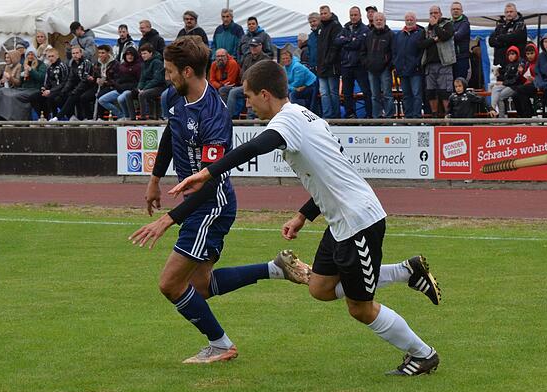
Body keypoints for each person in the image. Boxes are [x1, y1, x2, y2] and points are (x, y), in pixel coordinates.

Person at [168, 59, 442, 375]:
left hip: (360, 222)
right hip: (341, 222)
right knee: (319, 288)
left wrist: (208, 171)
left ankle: (423, 354)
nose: (248, 103)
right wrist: (302, 216)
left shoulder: (285, 122)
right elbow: (331, 174)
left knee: (360, 308)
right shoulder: (308, 117)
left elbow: (258, 145)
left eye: (248, 96)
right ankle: (407, 272)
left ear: (265, 94)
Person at [128, 37, 312, 364]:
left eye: (171, 71)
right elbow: (172, 132)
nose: (166, 77)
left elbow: (210, 187)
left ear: (187, 71)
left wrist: (169, 219)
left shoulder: (216, 115)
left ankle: (221, 344)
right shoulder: (174, 95)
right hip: (195, 202)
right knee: (200, 286)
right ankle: (276, 269)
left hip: (211, 206)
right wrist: (155, 180)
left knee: (170, 284)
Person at [0, 48, 45, 121]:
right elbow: (20, 81)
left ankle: (13, 118)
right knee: (1, 91)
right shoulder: (24, 64)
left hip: (34, 89)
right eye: (28, 54)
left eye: (32, 54)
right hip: (23, 89)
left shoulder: (41, 65)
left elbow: (41, 77)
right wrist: (21, 75)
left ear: (35, 55)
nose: (30, 56)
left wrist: (31, 71)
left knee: (14, 96)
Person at [419, 5, 455, 117]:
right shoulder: (425, 29)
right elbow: (421, 44)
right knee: (431, 91)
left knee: (445, 91)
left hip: (444, 63)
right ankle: (434, 114)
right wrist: (433, 39)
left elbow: (445, 36)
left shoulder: (448, 24)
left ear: (440, 14)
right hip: (429, 65)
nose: (433, 15)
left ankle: (447, 115)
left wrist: (435, 26)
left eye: (435, 12)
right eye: (431, 13)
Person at [335, 6, 371, 118]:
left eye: (355, 15)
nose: (353, 17)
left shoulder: (365, 29)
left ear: (360, 16)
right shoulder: (345, 28)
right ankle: (350, 114)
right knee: (347, 93)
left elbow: (358, 44)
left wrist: (345, 41)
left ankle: (369, 114)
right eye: (351, 15)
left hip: (359, 65)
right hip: (346, 65)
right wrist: (350, 39)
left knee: (366, 91)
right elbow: (336, 41)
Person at [226, 38, 270, 118]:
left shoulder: (266, 59)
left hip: (259, 87)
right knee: (226, 90)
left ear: (261, 46)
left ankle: (230, 118)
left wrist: (249, 83)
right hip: (247, 85)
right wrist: (246, 83)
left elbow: (264, 76)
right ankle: (230, 117)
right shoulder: (247, 58)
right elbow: (243, 73)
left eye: (255, 46)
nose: (253, 48)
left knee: (234, 92)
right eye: (251, 46)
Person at [363, 12, 395, 118]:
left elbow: (394, 52)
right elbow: (363, 52)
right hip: (371, 70)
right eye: (377, 19)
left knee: (387, 95)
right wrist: (366, 63)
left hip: (385, 69)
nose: (379, 21)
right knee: (374, 96)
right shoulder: (369, 35)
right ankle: (377, 117)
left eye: (381, 19)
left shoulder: (390, 34)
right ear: (373, 21)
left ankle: (389, 117)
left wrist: (389, 65)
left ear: (384, 21)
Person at [393, 12, 425, 118]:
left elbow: (422, 51)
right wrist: (396, 64)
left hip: (415, 71)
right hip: (402, 70)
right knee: (406, 96)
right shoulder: (398, 35)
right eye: (407, 19)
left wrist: (417, 64)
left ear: (415, 20)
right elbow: (395, 52)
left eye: (411, 19)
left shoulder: (420, 33)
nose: (409, 21)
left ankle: (416, 117)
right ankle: (408, 117)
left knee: (416, 95)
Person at [98, 46, 141, 120]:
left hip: (130, 90)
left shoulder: (138, 66)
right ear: (125, 56)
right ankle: (121, 116)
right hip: (119, 89)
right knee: (102, 100)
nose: (129, 56)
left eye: (131, 55)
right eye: (127, 55)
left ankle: (127, 117)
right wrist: (116, 84)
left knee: (120, 99)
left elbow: (139, 81)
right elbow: (117, 78)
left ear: (134, 55)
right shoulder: (122, 65)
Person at [52, 45, 94, 121]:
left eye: (77, 53)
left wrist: (75, 91)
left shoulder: (86, 63)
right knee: (59, 97)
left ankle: (57, 117)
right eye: (73, 53)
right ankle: (71, 117)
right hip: (77, 87)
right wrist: (63, 91)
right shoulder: (73, 64)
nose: (75, 55)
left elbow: (85, 80)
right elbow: (71, 80)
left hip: (88, 87)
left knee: (74, 96)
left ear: (81, 53)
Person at [316, 5, 343, 118]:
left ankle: (336, 116)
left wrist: (328, 61)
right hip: (321, 65)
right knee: (324, 93)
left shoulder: (336, 26)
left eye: (325, 13)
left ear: (330, 13)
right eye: (321, 13)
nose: (323, 15)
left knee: (333, 92)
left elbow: (335, 46)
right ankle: (327, 116)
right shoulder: (320, 27)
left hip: (332, 66)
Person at [488, 3, 527, 77]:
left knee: (510, 85)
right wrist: (505, 40)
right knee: (498, 85)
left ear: (516, 12)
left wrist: (499, 38)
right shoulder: (500, 25)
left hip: (514, 64)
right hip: (500, 63)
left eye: (511, 12)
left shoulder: (520, 25)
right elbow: (491, 41)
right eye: (507, 12)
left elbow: (514, 38)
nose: (509, 14)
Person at [30, 48, 68, 119]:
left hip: (61, 91)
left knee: (50, 97)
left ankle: (54, 117)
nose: (51, 58)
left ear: (57, 56)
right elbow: (47, 82)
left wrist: (51, 91)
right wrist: (44, 88)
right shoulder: (49, 68)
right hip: (50, 91)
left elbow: (64, 82)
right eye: (49, 56)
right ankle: (43, 117)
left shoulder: (62, 66)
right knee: (33, 97)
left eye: (52, 56)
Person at [81, 45, 117, 120]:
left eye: (103, 53)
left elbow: (116, 80)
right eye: (99, 53)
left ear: (108, 53)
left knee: (100, 95)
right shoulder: (97, 63)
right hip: (98, 86)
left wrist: (105, 82)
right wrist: (92, 79)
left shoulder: (115, 64)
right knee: (84, 97)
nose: (100, 55)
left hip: (110, 86)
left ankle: (100, 118)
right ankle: (90, 118)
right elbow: (95, 76)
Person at [134, 43, 166, 119]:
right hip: (149, 87)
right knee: (129, 94)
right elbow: (142, 79)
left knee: (142, 94)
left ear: (151, 53)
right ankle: (130, 117)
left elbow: (157, 79)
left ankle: (143, 117)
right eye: (142, 54)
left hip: (159, 87)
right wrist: (139, 88)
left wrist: (144, 88)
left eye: (145, 53)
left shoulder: (157, 62)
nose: (143, 56)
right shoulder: (144, 64)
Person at [490, 46, 523, 117]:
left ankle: (501, 115)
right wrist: (498, 75)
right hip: (509, 85)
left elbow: (516, 80)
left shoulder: (519, 64)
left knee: (500, 96)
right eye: (509, 54)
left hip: (515, 86)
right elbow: (507, 78)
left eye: (513, 54)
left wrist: (503, 83)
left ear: (517, 55)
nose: (510, 56)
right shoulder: (509, 65)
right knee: (495, 88)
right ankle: (493, 108)